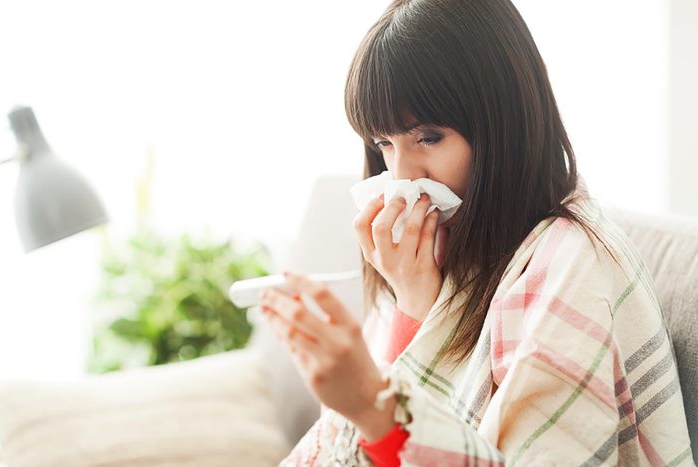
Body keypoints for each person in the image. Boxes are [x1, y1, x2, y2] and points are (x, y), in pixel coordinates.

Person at [259, 0, 694, 465]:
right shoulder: (430, 253)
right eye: (385, 143)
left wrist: (374, 397)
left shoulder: (570, 263)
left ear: (501, 123)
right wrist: (414, 303)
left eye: (428, 137)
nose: (403, 175)